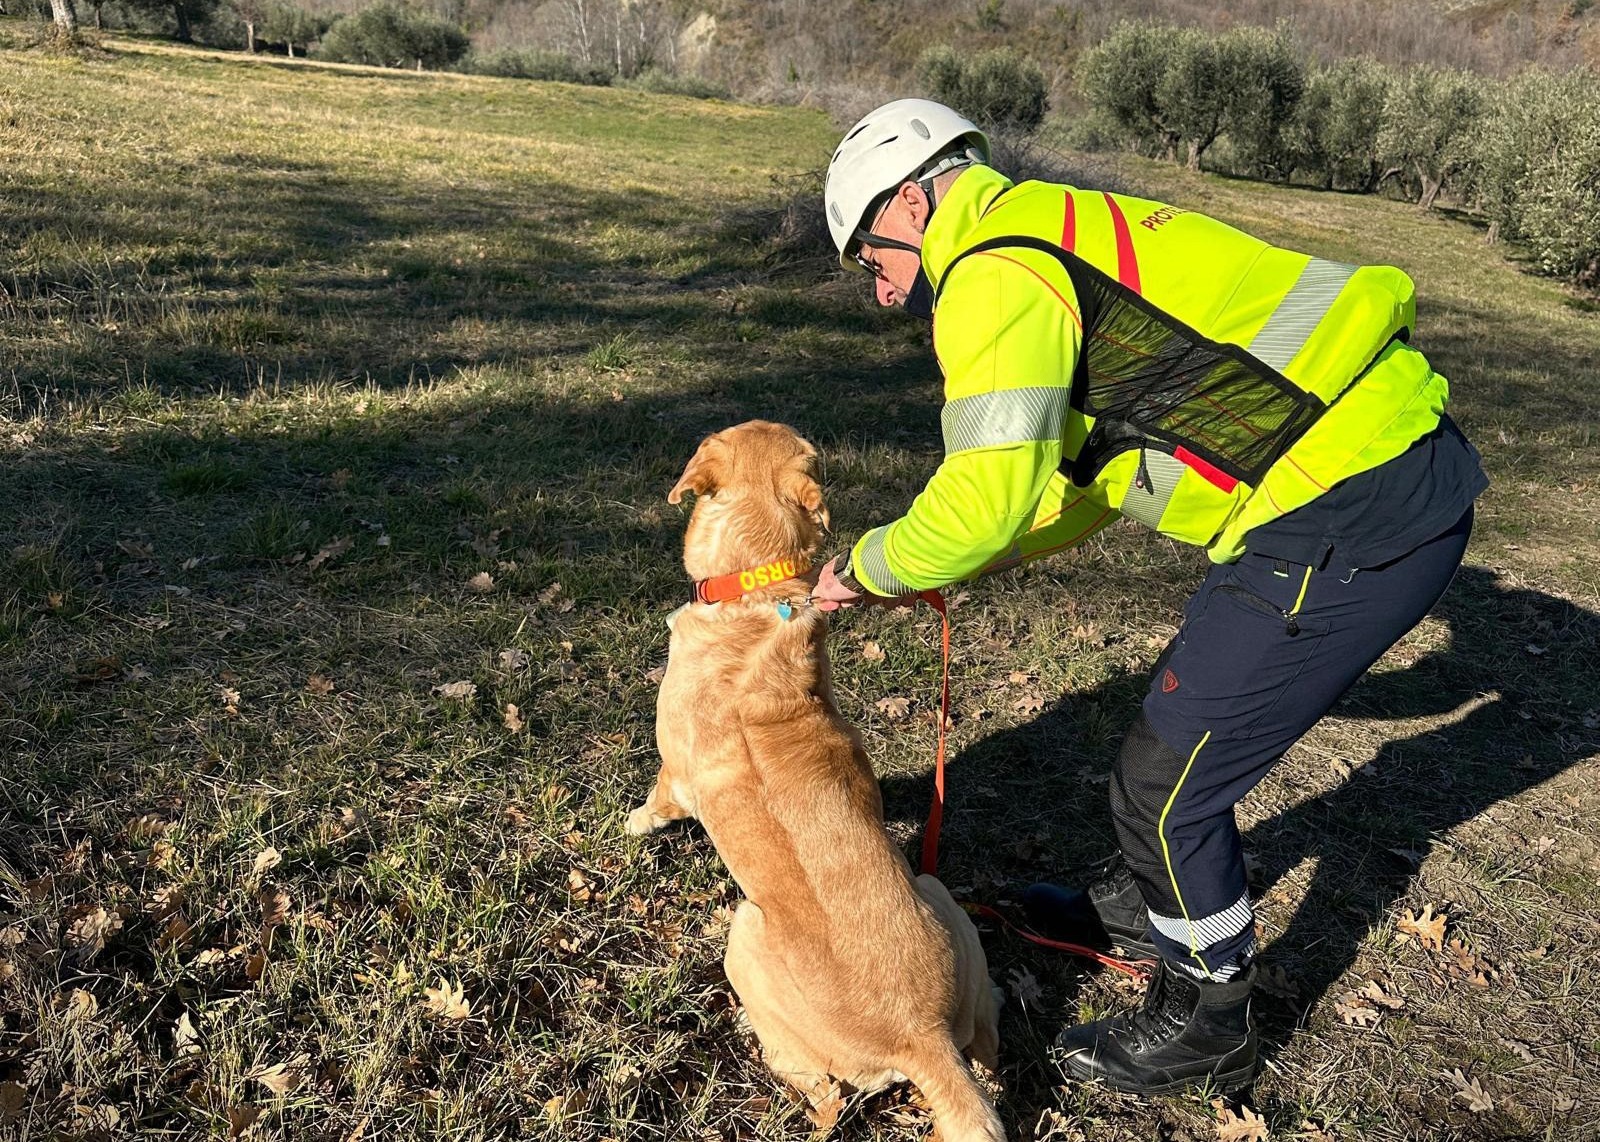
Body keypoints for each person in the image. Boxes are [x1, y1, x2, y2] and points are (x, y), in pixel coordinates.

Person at [809, 99, 1487, 1096]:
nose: (880, 292)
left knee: (1163, 786)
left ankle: (1209, 1016)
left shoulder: (992, 271)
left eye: (872, 258)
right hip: (1352, 476)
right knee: (1175, 747)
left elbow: (984, 498)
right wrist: (940, 564)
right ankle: (1149, 904)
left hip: (1348, 502)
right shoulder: (1048, 226)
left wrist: (874, 563)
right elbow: (1067, 488)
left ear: (910, 201)